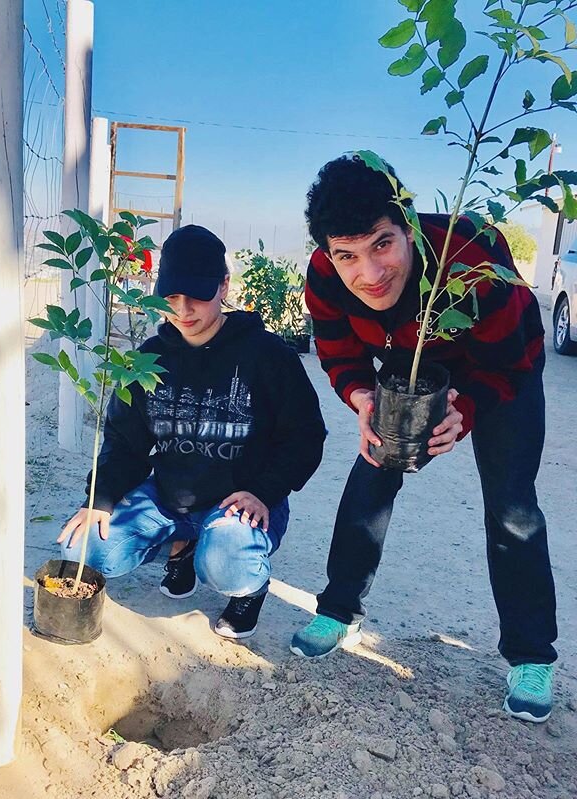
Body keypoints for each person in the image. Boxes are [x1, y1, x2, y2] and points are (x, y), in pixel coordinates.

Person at [290, 153, 557, 724]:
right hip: (408, 368)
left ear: (407, 224)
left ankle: (531, 655)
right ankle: (339, 610)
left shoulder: (472, 255)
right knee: (373, 467)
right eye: (347, 256)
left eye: (382, 244)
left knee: (511, 504)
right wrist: (362, 398)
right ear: (329, 254)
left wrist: (465, 408)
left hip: (502, 368)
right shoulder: (323, 275)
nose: (369, 273)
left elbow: (507, 362)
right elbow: (338, 352)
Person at [60, 224, 326, 639]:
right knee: (83, 548)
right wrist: (102, 498)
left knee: (227, 563)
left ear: (224, 285)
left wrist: (266, 490)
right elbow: (124, 440)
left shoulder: (268, 355)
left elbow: (306, 435)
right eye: (171, 297)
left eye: (197, 295)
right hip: (169, 498)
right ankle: (181, 548)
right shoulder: (149, 358)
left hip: (242, 500)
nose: (183, 310)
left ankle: (249, 589)